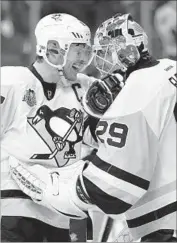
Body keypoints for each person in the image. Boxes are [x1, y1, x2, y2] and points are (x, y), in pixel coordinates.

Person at [9, 13, 177, 242]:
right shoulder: (169, 68)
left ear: (125, 52)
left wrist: (48, 191)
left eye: (106, 52)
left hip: (167, 223)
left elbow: (110, 188)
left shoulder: (135, 93)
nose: (99, 60)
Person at [1, 13, 95, 242]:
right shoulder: (11, 82)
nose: (83, 58)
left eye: (86, 50)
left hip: (66, 214)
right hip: (16, 210)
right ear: (53, 48)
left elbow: (104, 140)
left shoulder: (85, 89)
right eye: (77, 49)